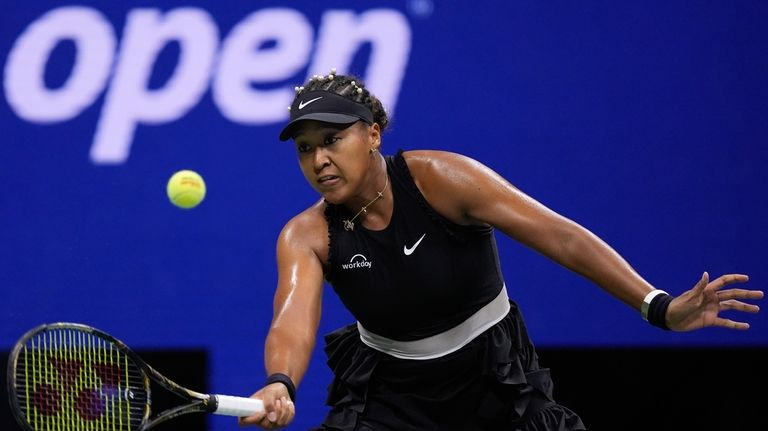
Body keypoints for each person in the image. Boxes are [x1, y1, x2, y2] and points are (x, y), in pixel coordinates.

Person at [238, 69, 763, 431]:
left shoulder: (443, 178)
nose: (319, 160)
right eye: (306, 148)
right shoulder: (305, 234)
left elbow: (561, 236)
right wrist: (279, 383)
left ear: (373, 134)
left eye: (332, 139)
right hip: (389, 400)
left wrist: (658, 306)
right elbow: (291, 321)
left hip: (496, 378)